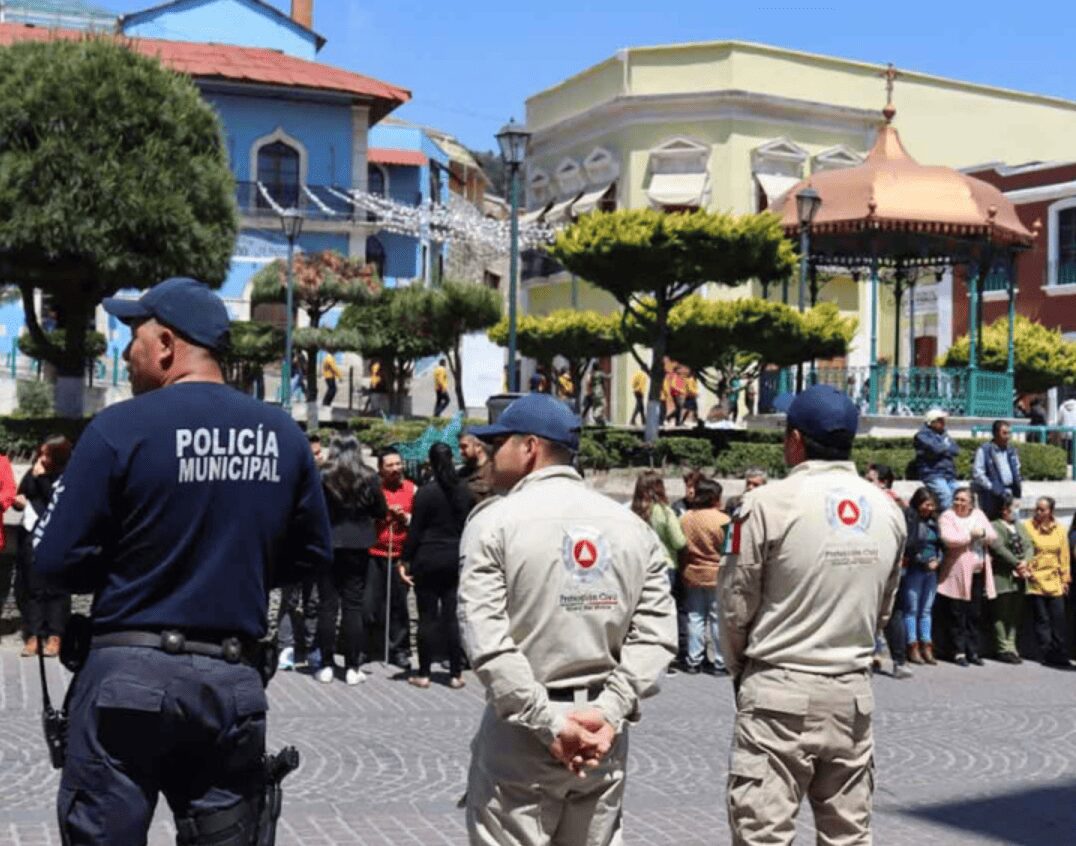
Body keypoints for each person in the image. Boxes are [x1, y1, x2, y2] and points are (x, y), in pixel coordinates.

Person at [32, 277, 333, 844]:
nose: (127, 353)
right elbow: (312, 555)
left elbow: (53, 557)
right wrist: (233, 567)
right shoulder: (282, 435)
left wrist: (129, 563)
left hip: (128, 677)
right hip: (230, 681)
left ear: (167, 344)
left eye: (135, 337)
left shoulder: (120, 428)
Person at [459, 393, 677, 845]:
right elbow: (656, 636)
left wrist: (551, 724)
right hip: (601, 733)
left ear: (529, 448)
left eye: (497, 442)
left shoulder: (494, 523)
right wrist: (610, 711)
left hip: (524, 732)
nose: (487, 453)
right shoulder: (630, 527)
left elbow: (488, 641)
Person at [717, 384, 905, 845]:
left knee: (762, 834)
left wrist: (743, 671)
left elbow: (735, 606)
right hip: (852, 691)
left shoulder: (767, 504)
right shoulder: (886, 509)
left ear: (795, 440)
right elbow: (885, 607)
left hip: (779, 686)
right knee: (848, 835)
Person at [399, 443, 474, 689]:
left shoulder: (425, 492)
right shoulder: (463, 491)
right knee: (452, 617)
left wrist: (404, 559)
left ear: (430, 462)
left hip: (428, 557)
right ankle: (456, 673)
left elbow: (416, 530)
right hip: (455, 556)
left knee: (427, 617)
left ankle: (424, 673)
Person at [315, 435, 386, 685]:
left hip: (328, 542)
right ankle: (353, 666)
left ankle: (325, 664)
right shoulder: (368, 476)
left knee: (327, 605)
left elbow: (312, 509)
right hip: (358, 544)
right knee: (353, 605)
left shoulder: (323, 475)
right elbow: (380, 510)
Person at [13, 436, 69, 658]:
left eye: (47, 454)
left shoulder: (67, 474)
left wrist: (43, 478)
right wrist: (20, 502)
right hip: (31, 535)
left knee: (57, 589)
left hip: (56, 535)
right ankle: (34, 635)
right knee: (33, 588)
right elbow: (21, 493)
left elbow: (57, 500)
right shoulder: (34, 471)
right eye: (41, 452)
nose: (42, 458)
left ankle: (55, 636)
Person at [938, 486, 997, 667]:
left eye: (963, 500)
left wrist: (984, 533)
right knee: (957, 614)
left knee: (974, 614)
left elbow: (993, 536)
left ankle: (973, 650)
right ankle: (958, 651)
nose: (959, 503)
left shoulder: (978, 515)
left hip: (977, 572)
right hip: (956, 573)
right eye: (957, 499)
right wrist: (970, 534)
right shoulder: (947, 516)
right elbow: (950, 539)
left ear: (971, 503)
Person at [368, 448, 415, 669]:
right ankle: (368, 648)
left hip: (399, 556)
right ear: (381, 469)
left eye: (398, 464)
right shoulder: (373, 489)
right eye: (390, 465)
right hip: (374, 553)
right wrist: (385, 515)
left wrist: (404, 517)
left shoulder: (412, 489)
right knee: (370, 604)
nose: (396, 469)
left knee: (399, 606)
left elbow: (419, 521)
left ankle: (400, 649)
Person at [864, 463, 910, 677]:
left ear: (882, 482)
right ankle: (896, 661)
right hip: (895, 563)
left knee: (877, 612)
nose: (865, 482)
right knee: (893, 613)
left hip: (879, 562)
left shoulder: (882, 501)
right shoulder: (899, 503)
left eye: (870, 479)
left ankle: (875, 657)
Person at [679, 478, 728, 674]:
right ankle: (720, 662)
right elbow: (730, 551)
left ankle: (693, 660)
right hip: (717, 574)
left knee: (695, 617)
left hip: (692, 572)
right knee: (717, 619)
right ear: (715, 497)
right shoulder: (724, 520)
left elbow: (681, 546)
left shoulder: (685, 518)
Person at [1023, 496, 1072, 668]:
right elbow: (1025, 549)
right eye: (1037, 508)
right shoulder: (1028, 527)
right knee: (1042, 619)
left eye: (1042, 509)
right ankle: (1046, 653)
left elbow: (1064, 556)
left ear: (1050, 511)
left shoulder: (1059, 529)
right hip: (1036, 578)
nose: (1038, 512)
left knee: (1058, 619)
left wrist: (1066, 578)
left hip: (1055, 579)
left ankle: (1060, 652)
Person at [988, 493, 1032, 664]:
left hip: (1020, 576)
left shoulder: (1019, 526)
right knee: (1001, 613)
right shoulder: (995, 526)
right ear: (1004, 509)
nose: (1016, 510)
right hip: (1003, 574)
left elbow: (1029, 545)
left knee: (1015, 614)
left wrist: (1025, 562)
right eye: (1014, 507)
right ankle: (1002, 647)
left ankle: (1012, 645)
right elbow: (999, 548)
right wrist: (1016, 564)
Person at [902, 487, 942, 666]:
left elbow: (941, 546)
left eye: (932, 505)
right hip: (915, 569)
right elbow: (909, 546)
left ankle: (927, 644)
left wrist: (938, 561)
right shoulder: (912, 520)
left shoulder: (934, 522)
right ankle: (912, 645)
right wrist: (921, 562)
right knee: (912, 609)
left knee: (926, 610)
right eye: (927, 504)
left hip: (931, 570)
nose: (930, 508)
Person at [972, 420, 1022, 520]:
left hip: (1010, 492)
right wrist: (992, 487)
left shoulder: (1011, 450)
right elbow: (978, 473)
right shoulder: (985, 450)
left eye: (1009, 433)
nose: (1007, 436)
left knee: (1012, 521)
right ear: (995, 433)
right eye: (1004, 433)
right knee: (994, 522)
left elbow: (1017, 467)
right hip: (992, 494)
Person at [914, 408, 961, 509]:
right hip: (933, 474)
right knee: (947, 495)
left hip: (948, 474)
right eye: (940, 420)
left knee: (960, 495)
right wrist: (945, 446)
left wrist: (943, 446)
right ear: (932, 422)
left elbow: (956, 450)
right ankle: (948, 521)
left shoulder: (944, 435)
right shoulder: (921, 436)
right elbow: (936, 449)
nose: (944, 423)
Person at [458, 431, 495, 505]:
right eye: (460, 447)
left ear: (478, 446)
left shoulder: (494, 473)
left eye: (464, 447)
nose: (460, 452)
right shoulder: (461, 473)